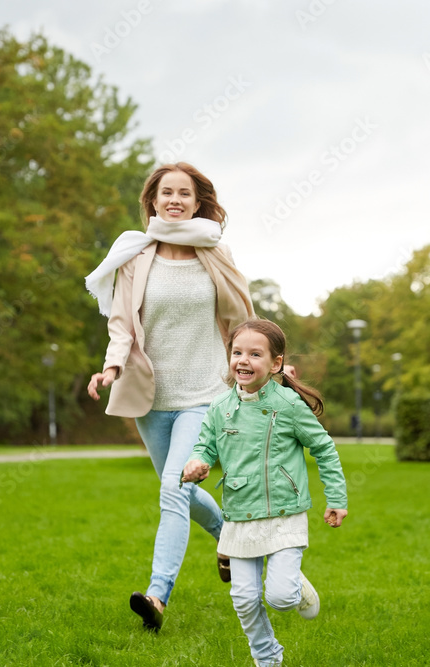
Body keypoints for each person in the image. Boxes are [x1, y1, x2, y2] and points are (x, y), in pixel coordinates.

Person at [85, 162, 254, 632]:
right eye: (166, 193)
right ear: (153, 202)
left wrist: (264, 365)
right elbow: (121, 323)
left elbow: (242, 320)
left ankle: (157, 596)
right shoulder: (136, 256)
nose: (175, 200)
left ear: (198, 202)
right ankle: (229, 536)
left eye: (184, 193)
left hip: (205, 393)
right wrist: (110, 367)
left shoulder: (216, 253)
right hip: (152, 398)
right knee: (180, 488)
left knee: (173, 490)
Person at [181, 318, 348, 667]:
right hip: (240, 514)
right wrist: (196, 463)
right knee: (243, 598)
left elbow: (324, 449)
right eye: (237, 352)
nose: (243, 360)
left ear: (275, 364)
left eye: (255, 354)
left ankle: (295, 584)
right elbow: (204, 447)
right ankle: (267, 657)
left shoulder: (286, 404)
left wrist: (337, 498)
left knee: (281, 597)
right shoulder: (219, 407)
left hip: (284, 513)